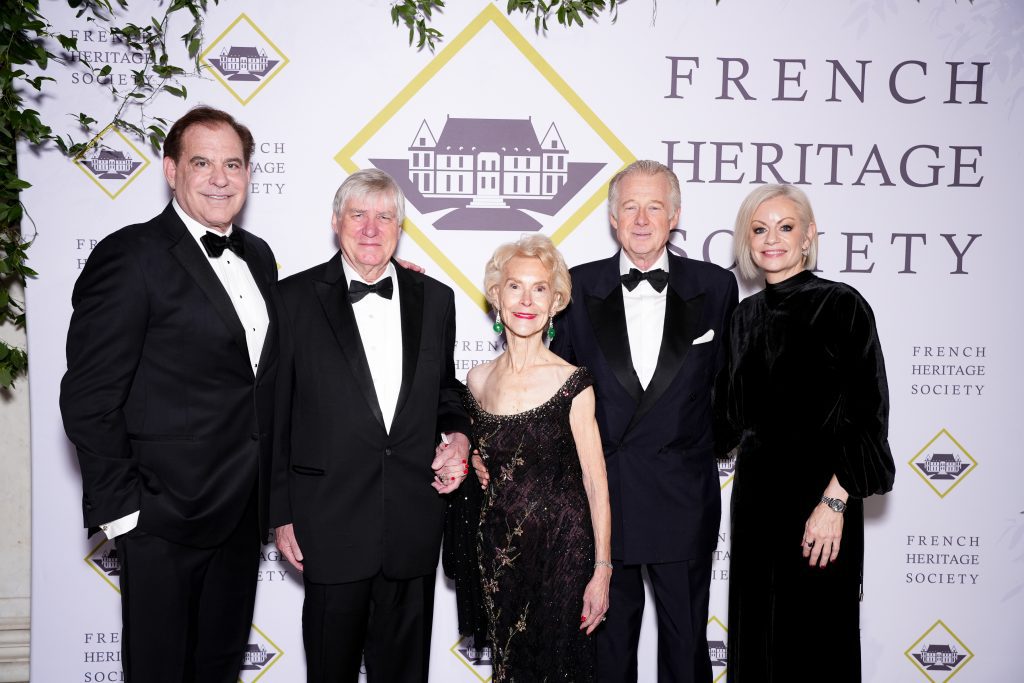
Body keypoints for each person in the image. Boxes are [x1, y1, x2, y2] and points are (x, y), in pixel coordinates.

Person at [476, 160, 739, 682]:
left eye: (655, 207)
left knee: (687, 655)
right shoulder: (575, 287)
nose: (642, 219)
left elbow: (728, 391)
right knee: (606, 658)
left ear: (676, 216)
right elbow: (548, 395)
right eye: (630, 208)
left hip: (682, 501)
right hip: (601, 508)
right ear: (613, 219)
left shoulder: (716, 287)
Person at [60, 106, 278, 682]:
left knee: (218, 669)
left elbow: (267, 369)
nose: (220, 178)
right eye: (202, 162)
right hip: (162, 515)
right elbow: (88, 395)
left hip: (241, 512)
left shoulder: (258, 256)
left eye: (233, 164)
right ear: (170, 170)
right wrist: (127, 511)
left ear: (249, 175)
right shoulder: (131, 256)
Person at [270, 168, 471, 683]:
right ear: (336, 221)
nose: (370, 229)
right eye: (358, 215)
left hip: (413, 519)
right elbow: (274, 413)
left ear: (399, 228)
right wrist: (281, 511)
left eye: (384, 217)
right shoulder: (291, 300)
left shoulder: (437, 300)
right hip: (328, 521)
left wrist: (460, 436)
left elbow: (446, 391)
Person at [714, 184, 896, 682]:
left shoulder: (842, 306)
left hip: (821, 503)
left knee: (816, 646)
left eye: (785, 227)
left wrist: (834, 503)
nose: (772, 239)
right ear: (747, 241)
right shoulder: (743, 318)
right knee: (757, 646)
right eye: (759, 229)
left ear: (809, 236)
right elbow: (722, 422)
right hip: (755, 508)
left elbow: (869, 417)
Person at [458, 235, 611, 682]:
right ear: (496, 296)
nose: (526, 300)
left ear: (555, 301)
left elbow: (596, 483)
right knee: (511, 668)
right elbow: (473, 459)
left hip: (563, 551)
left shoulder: (572, 382)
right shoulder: (476, 380)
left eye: (540, 288)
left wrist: (602, 570)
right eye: (515, 286)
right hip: (499, 552)